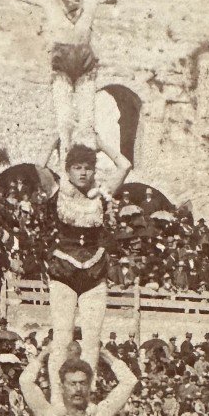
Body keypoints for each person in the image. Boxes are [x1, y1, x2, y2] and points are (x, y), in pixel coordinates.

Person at [0, 0, 153, 163]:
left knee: (87, 122)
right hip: (62, 64)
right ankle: (64, 160)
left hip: (85, 64)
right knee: (65, 120)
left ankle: (86, 164)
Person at [45, 138, 131, 400]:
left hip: (94, 269)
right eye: (77, 168)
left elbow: (125, 165)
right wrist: (56, 139)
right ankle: (58, 397)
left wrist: (101, 143)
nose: (83, 173)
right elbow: (39, 166)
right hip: (64, 269)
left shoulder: (102, 193)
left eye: (88, 168)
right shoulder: (57, 191)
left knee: (92, 340)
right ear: (68, 170)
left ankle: (88, 396)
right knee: (62, 337)